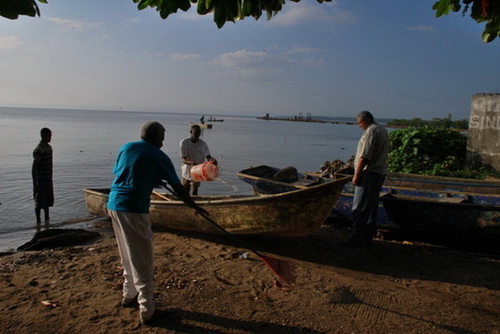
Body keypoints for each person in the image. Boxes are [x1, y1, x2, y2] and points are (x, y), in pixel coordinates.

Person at [107, 121, 206, 326]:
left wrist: (152, 179)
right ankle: (147, 310)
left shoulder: (126, 147)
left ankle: (129, 295)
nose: (163, 140)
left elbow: (123, 173)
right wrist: (194, 207)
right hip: (134, 208)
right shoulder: (159, 156)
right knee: (142, 260)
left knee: (127, 254)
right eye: (161, 135)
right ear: (153, 136)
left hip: (113, 205)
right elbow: (179, 189)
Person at [348, 111, 390, 247]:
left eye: (359, 123)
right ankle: (367, 237)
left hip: (369, 174)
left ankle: (356, 239)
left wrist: (356, 176)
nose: (359, 125)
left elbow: (364, 156)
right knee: (371, 206)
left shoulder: (371, 132)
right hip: (379, 173)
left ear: (366, 120)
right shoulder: (383, 130)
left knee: (359, 207)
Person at [179, 124, 217, 195]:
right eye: (195, 132)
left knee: (195, 189)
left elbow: (208, 157)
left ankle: (194, 203)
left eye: (199, 132)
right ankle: (185, 203)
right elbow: (183, 159)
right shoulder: (184, 142)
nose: (197, 134)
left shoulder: (203, 144)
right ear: (191, 132)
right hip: (187, 168)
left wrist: (212, 160)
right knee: (185, 188)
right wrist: (191, 163)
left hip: (198, 169)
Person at [32, 127, 54, 225]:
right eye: (48, 135)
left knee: (47, 201)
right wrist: (35, 182)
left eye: (50, 135)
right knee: (39, 202)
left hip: (48, 178)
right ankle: (38, 221)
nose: (50, 137)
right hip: (40, 179)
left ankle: (47, 219)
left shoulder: (49, 147)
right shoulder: (39, 149)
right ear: (43, 136)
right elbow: (34, 167)